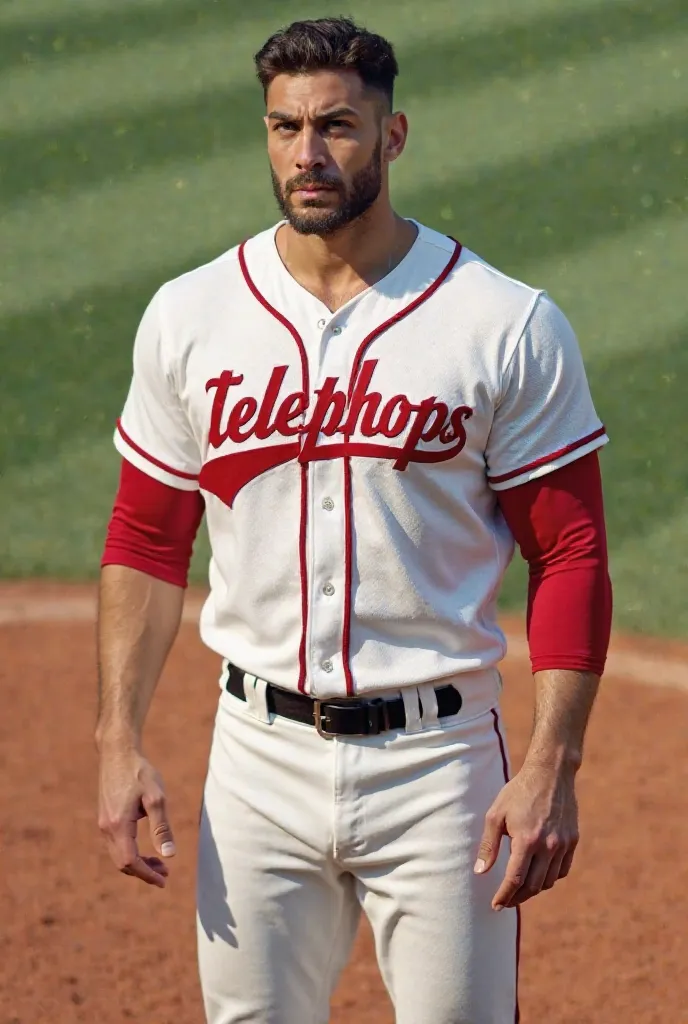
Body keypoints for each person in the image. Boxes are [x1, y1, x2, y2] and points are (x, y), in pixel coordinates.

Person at [95, 17, 613, 1024]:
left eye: (336, 125)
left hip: (440, 770)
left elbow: (571, 549)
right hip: (255, 761)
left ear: (394, 133)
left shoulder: (500, 322)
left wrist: (554, 761)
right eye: (284, 127)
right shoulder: (192, 314)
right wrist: (117, 736)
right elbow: (147, 540)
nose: (307, 153)